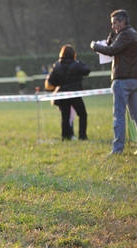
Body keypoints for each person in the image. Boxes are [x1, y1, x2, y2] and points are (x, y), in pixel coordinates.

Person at [90, 9, 137, 155]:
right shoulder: (133, 34)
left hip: (122, 79)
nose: (113, 26)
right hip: (133, 79)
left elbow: (111, 51)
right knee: (135, 115)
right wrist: (111, 44)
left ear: (123, 21)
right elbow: (118, 50)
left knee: (119, 116)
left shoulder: (125, 35)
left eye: (115, 22)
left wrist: (95, 46)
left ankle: (117, 149)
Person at [45, 44, 90, 141]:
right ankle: (82, 136)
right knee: (82, 114)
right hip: (75, 94)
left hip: (63, 95)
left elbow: (51, 81)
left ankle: (65, 137)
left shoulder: (57, 66)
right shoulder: (76, 65)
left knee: (65, 117)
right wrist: (79, 62)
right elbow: (87, 70)